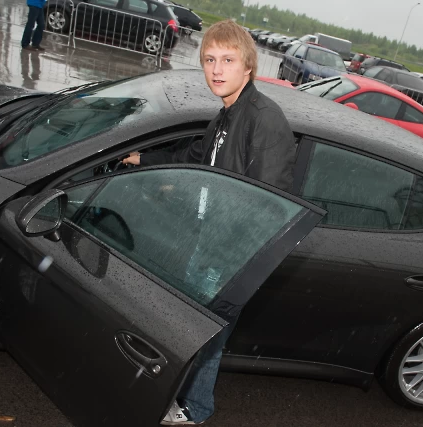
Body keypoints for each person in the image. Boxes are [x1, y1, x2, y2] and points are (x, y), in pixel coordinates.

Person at [122, 19, 295, 426]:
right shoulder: (225, 117)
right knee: (197, 331)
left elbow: (269, 204)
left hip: (229, 253)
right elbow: (193, 160)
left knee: (206, 334)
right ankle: (185, 398)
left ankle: (195, 408)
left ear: (248, 66)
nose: (216, 70)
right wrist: (142, 159)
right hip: (206, 242)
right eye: (210, 60)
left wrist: (225, 259)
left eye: (228, 60)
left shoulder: (263, 119)